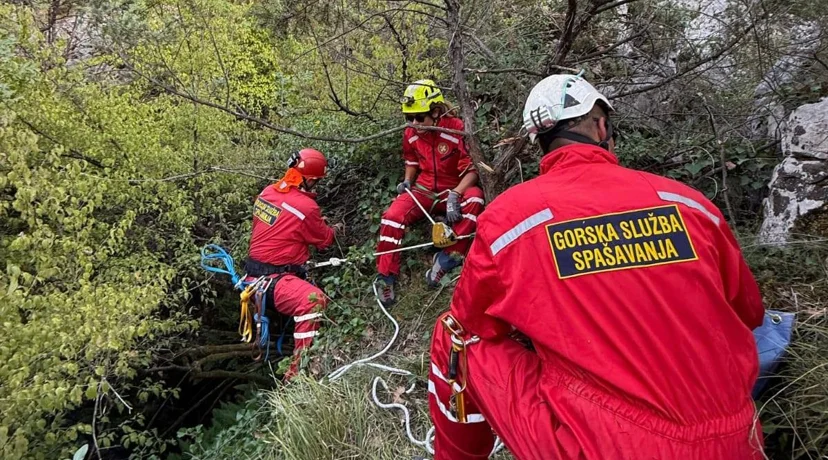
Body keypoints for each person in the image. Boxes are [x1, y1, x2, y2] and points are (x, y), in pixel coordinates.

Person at [426, 74, 766, 459]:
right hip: (739, 439)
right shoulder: (689, 202)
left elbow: (473, 320)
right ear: (602, 126)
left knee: (454, 335)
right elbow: (750, 313)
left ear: (540, 143)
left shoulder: (513, 218)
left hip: (604, 444)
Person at [374, 79, 484, 306]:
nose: (414, 123)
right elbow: (411, 160)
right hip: (422, 189)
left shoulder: (455, 127)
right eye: (409, 118)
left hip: (452, 188)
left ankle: (447, 258)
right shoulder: (411, 132)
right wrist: (406, 181)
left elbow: (472, 169)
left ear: (435, 111)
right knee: (393, 217)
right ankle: (386, 276)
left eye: (419, 117)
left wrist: (456, 193)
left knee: (475, 197)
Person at [243, 148, 340, 380]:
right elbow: (324, 240)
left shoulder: (266, 193)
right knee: (313, 301)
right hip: (275, 281)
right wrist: (333, 229)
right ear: (310, 179)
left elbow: (280, 228)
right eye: (316, 182)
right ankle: (297, 374)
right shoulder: (307, 208)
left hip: (252, 278)